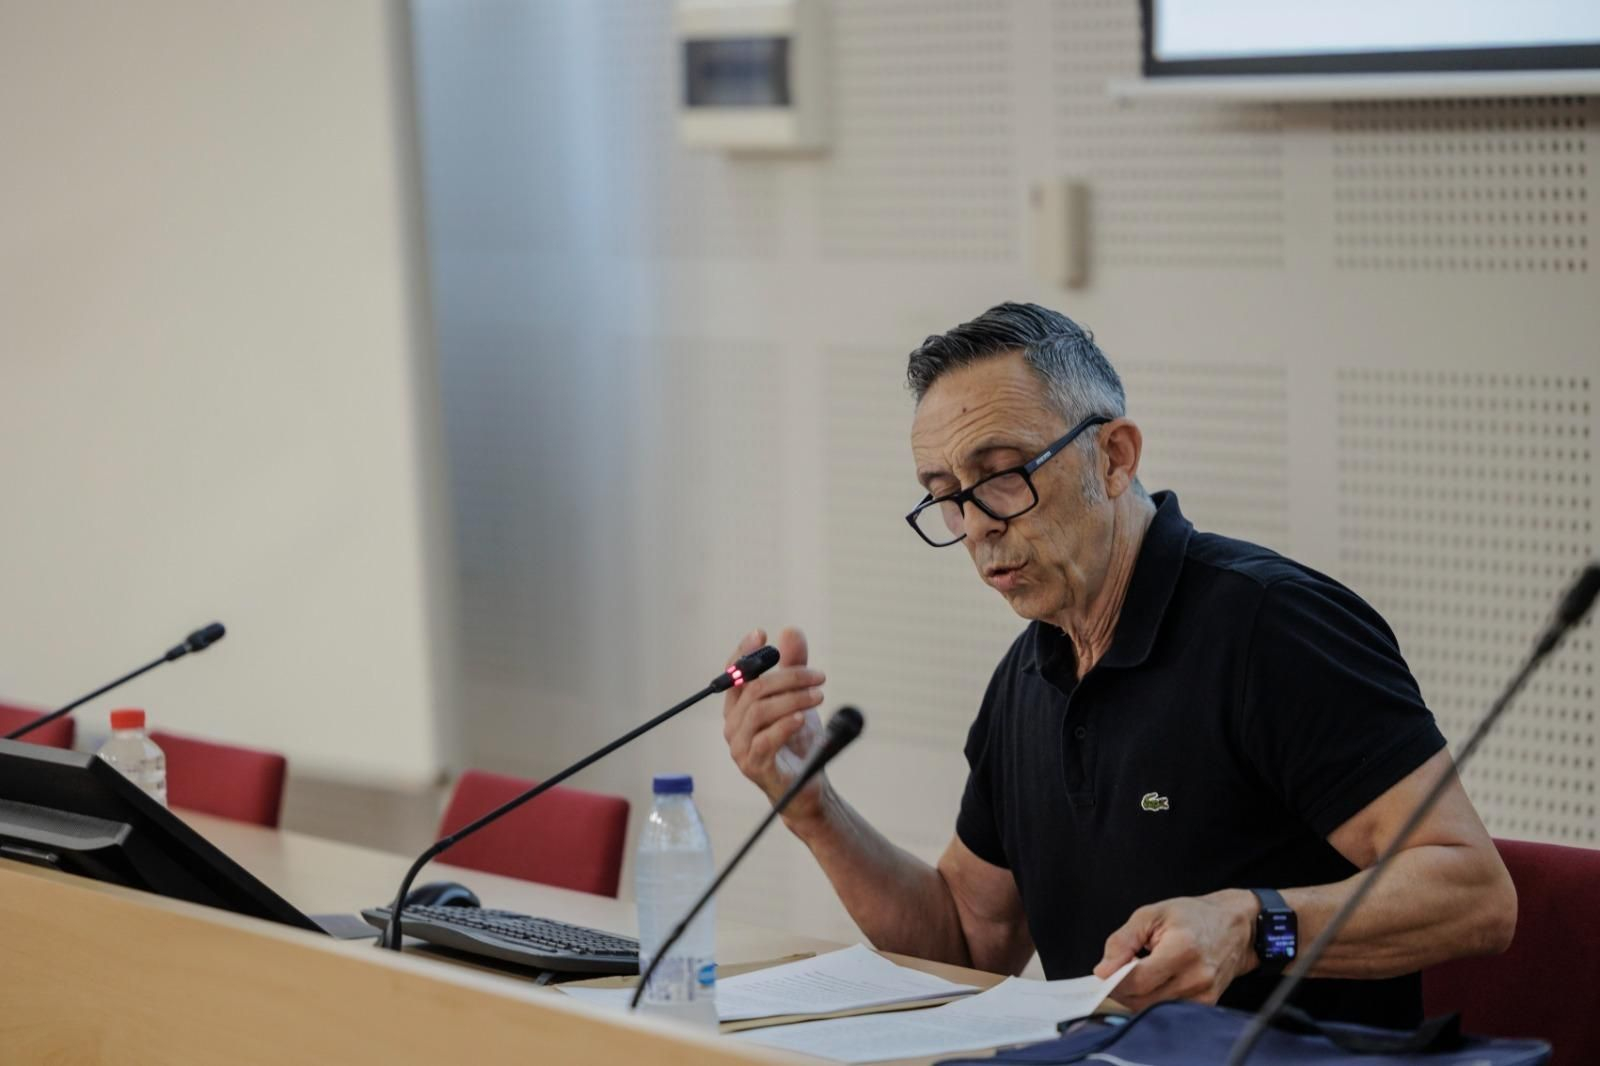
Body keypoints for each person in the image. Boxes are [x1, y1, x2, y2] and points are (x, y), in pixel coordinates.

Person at [720, 302, 1516, 1027]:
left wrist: (1251, 924)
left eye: (999, 476)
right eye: (947, 495)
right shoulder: (1029, 674)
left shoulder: (1271, 628)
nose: (975, 527)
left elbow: (1473, 892)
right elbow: (969, 939)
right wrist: (811, 806)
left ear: (1114, 457)